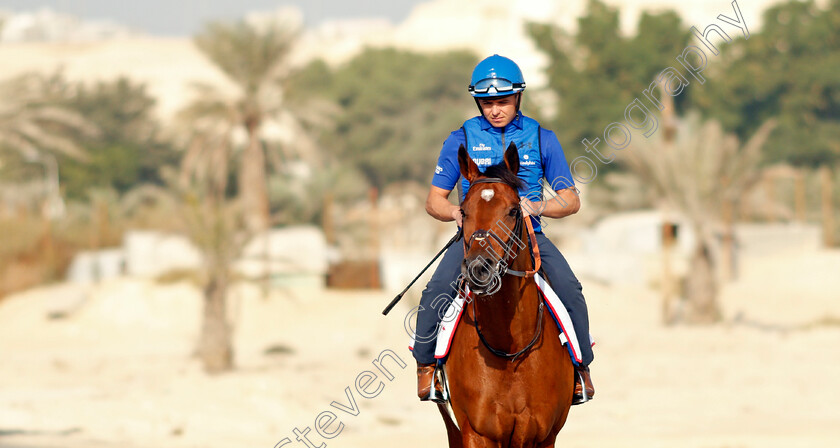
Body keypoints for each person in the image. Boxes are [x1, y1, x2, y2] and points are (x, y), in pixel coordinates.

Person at [412, 54, 595, 405]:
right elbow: (433, 199)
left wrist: (540, 206)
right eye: (488, 103)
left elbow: (571, 200)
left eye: (503, 101)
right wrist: (455, 212)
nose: (495, 110)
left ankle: (580, 371)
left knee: (570, 289)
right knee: (436, 288)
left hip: (527, 236)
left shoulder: (542, 137)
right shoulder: (460, 138)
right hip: (475, 240)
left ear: (518, 98)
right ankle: (426, 369)